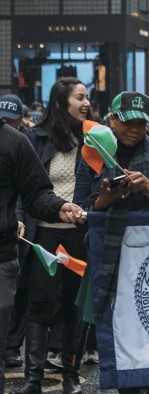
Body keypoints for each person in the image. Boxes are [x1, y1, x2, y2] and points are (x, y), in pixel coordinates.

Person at [74, 91, 149, 394]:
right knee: (118, 334)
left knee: (148, 332)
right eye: (127, 123)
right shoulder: (93, 151)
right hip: (108, 256)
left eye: (141, 124)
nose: (134, 130)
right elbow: (79, 209)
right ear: (111, 119)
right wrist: (103, 201)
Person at [0, 104, 87, 394]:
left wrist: (59, 206)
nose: (86, 103)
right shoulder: (33, 138)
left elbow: (35, 192)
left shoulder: (14, 141)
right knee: (40, 304)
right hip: (38, 238)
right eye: (80, 97)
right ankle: (32, 378)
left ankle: (66, 373)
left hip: (6, 256)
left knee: (71, 305)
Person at [1, 93, 30, 370]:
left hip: (15, 228)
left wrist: (19, 216)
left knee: (20, 290)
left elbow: (25, 186)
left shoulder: (22, 142)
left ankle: (12, 346)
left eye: (12, 121)